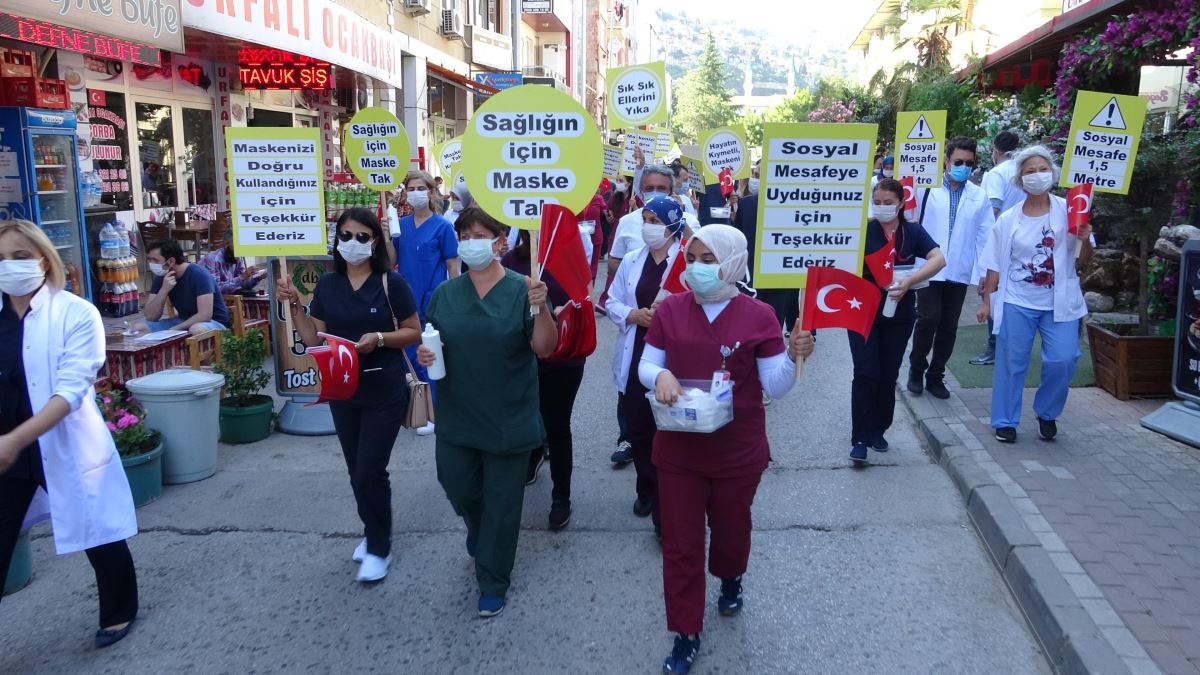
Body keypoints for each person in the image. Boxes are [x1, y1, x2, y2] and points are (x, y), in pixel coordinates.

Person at [640, 224, 814, 675]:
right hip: (679, 449)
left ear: (733, 263)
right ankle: (685, 632)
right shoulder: (671, 309)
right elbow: (647, 363)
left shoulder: (757, 316)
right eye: (693, 259)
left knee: (731, 528)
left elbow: (774, 385)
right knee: (681, 544)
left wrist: (796, 358)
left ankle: (731, 577)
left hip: (737, 451)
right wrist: (658, 377)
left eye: (709, 259)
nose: (697, 268)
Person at [0, 219, 139, 648]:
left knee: (96, 531)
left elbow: (71, 390)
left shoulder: (76, 313)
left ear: (44, 260)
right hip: (7, 450)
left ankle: (119, 609)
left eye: (20, 257)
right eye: (1, 259)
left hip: (56, 443)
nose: (9, 267)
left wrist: (17, 439)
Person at [417, 206, 557, 618]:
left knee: (503, 501)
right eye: (465, 235)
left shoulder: (522, 288)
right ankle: (479, 532)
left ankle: (493, 578)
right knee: (457, 485)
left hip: (508, 414)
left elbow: (544, 348)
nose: (472, 242)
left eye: (482, 234)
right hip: (459, 412)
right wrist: (428, 353)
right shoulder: (446, 293)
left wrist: (542, 307)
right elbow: (435, 341)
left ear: (500, 242)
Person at [276, 208, 421, 583]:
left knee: (371, 470)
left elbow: (413, 331)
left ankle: (379, 547)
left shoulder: (392, 283)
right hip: (342, 390)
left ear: (374, 242)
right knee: (356, 470)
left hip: (385, 389)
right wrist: (294, 305)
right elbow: (312, 338)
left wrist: (380, 339)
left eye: (361, 236)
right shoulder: (327, 285)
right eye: (345, 235)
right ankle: (373, 530)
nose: (351, 243)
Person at [977, 146, 1092, 444]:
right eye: (1030, 171)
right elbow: (994, 262)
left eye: (1042, 169)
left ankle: (1047, 412)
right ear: (1020, 179)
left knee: (1063, 360)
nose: (1037, 175)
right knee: (1011, 362)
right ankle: (1005, 421)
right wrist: (987, 300)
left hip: (1060, 302)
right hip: (1017, 300)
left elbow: (1083, 260)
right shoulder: (1008, 219)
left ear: (1052, 174)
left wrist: (1083, 237)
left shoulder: (1071, 210)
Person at [606, 195, 687, 536]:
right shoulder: (633, 259)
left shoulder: (686, 261)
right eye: (646, 220)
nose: (648, 228)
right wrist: (632, 314)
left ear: (672, 225)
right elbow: (610, 300)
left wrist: (666, 318)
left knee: (668, 431)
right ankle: (646, 489)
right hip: (636, 349)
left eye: (656, 222)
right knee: (639, 431)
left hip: (672, 360)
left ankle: (668, 504)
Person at [849, 179, 946, 462]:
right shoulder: (862, 231)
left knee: (887, 373)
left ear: (901, 203)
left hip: (899, 315)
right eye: (877, 202)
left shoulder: (912, 232)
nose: (882, 208)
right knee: (865, 371)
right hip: (862, 312)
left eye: (888, 203)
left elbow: (938, 258)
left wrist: (909, 281)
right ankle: (859, 438)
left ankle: (879, 429)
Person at [502, 230, 586, 529]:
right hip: (525, 356)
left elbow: (584, 298)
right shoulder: (512, 259)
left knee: (558, 424)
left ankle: (561, 496)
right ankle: (535, 453)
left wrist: (566, 310)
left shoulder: (570, 257)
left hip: (565, 356)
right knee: (529, 414)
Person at [906, 138, 995, 400]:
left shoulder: (979, 196)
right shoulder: (925, 189)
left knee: (949, 325)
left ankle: (936, 376)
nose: (963, 167)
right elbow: (911, 219)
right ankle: (915, 369)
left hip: (959, 269)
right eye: (958, 162)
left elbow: (985, 236)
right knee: (928, 318)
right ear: (946, 160)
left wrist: (984, 274)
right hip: (928, 267)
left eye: (969, 163)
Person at [387, 170, 459, 437]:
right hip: (406, 297)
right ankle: (414, 406)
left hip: (433, 297)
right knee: (408, 354)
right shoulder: (401, 225)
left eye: (421, 188)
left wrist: (455, 299)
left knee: (429, 355)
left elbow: (452, 264)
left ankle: (433, 412)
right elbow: (391, 258)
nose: (415, 193)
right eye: (411, 188)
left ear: (430, 192)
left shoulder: (442, 227)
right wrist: (386, 236)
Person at [972, 130, 1024, 366]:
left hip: (1000, 241)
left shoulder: (996, 174)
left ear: (995, 151)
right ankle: (1009, 345)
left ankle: (994, 349)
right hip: (1024, 240)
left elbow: (992, 208)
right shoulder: (1025, 170)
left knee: (991, 292)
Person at [141, 239, 231, 335]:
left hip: (213, 322)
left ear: (171, 261)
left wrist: (175, 329)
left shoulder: (199, 274)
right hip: (183, 320)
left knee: (196, 329)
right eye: (149, 259)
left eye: (155, 260)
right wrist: (164, 290)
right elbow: (150, 317)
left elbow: (205, 315)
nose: (151, 263)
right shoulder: (161, 276)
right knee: (141, 328)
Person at [200, 229, 264, 296]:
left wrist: (257, 277)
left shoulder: (236, 259)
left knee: (252, 294)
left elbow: (244, 284)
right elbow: (215, 288)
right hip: (206, 298)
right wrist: (241, 277)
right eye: (238, 245)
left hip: (224, 297)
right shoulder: (212, 259)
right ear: (226, 244)